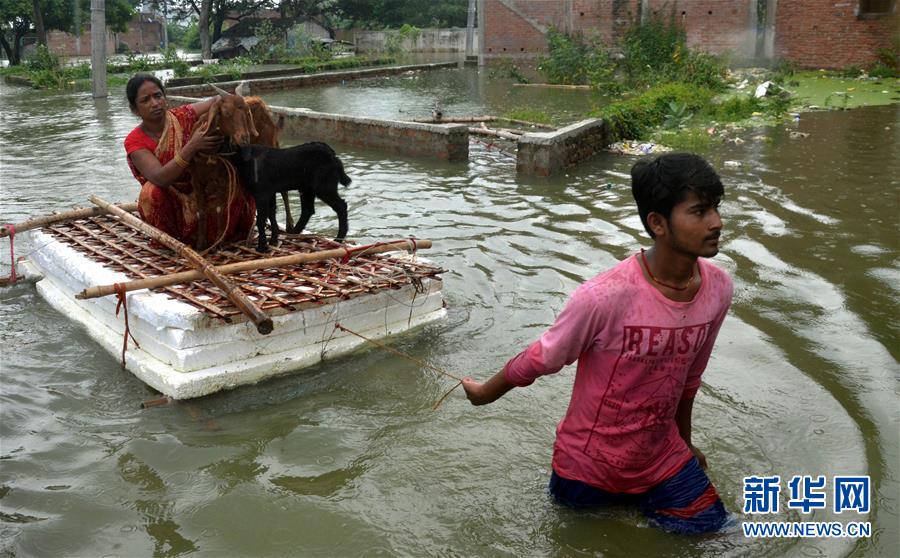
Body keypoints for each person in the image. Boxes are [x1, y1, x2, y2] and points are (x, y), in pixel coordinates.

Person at [462, 153, 732, 534]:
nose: (717, 223)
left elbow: (689, 379)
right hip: (589, 468)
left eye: (716, 209)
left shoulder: (718, 289)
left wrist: (685, 445)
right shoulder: (605, 296)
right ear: (658, 223)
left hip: (663, 459)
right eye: (700, 211)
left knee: (720, 538)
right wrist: (485, 393)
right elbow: (544, 357)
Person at [124, 73, 256, 248]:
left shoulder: (182, 115)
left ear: (165, 98)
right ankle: (172, 241)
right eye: (145, 100)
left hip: (200, 189)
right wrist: (192, 146)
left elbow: (216, 100)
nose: (155, 103)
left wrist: (232, 101)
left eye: (158, 96)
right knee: (151, 192)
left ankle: (228, 235)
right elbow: (160, 178)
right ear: (135, 109)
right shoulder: (135, 140)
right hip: (170, 199)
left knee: (236, 176)